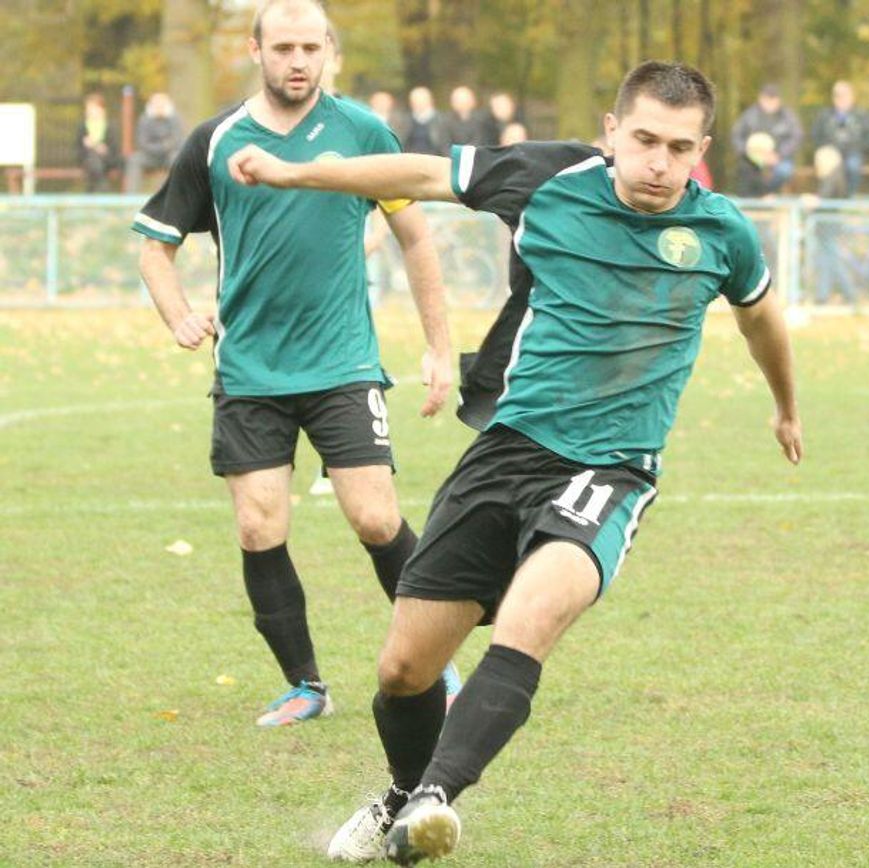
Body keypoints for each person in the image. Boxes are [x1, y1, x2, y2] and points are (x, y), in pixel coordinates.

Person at [229, 59, 802, 864]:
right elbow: (423, 172)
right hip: (504, 453)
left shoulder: (720, 232)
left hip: (611, 469)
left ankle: (436, 796)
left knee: (531, 621)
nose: (658, 163)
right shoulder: (547, 179)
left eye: (679, 147)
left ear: (700, 147)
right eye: (643, 140)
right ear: (612, 132)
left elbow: (762, 317)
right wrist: (296, 172)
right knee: (402, 670)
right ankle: (403, 793)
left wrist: (785, 404)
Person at [131, 0, 460, 728]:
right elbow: (156, 242)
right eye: (283, 47)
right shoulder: (213, 141)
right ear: (256, 50)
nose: (298, 61)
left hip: (343, 363)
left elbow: (415, 237)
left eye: (311, 47)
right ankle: (306, 685)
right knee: (259, 528)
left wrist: (440, 347)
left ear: (331, 52)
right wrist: (179, 313)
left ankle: (438, 661)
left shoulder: (363, 133)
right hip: (250, 369)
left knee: (376, 518)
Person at [730, 83, 803, 197]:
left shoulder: (788, 116)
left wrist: (779, 154)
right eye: (767, 98)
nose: (770, 102)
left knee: (784, 171)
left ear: (779, 100)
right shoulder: (749, 115)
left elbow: (796, 136)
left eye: (773, 99)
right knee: (744, 171)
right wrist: (748, 152)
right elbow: (736, 135)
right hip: (752, 161)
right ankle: (755, 201)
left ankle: (769, 196)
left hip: (779, 160)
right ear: (761, 98)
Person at [808, 144, 856, 306]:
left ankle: (848, 293)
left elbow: (823, 199)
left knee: (832, 259)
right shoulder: (837, 175)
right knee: (826, 259)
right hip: (828, 223)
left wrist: (811, 200)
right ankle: (823, 294)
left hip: (828, 223)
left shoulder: (832, 177)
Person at [811, 80, 869, 196]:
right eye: (838, 96)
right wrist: (826, 148)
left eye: (845, 95)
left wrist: (857, 148)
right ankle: (830, 202)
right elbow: (815, 135)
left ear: (852, 97)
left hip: (853, 152)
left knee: (853, 166)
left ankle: (847, 198)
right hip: (830, 153)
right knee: (829, 165)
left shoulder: (862, 115)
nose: (841, 99)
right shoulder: (825, 115)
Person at [125, 92, 184, 193]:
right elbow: (142, 143)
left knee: (177, 159)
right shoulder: (144, 119)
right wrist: (163, 146)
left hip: (169, 156)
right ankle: (130, 195)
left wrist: (164, 147)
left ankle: (177, 194)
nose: (159, 107)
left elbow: (176, 140)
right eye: (156, 104)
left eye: (162, 104)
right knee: (134, 159)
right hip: (150, 156)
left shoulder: (175, 119)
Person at [78, 92, 119, 192]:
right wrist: (91, 147)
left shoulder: (111, 126)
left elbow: (114, 148)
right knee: (93, 157)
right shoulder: (82, 126)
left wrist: (100, 148)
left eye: (94, 108)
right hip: (88, 160)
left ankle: (91, 192)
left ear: (102, 110)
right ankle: (103, 188)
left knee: (95, 160)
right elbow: (77, 148)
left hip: (107, 160)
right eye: (89, 108)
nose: (91, 111)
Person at [403, 86, 446, 155]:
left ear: (431, 101)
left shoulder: (442, 120)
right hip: (410, 159)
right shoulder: (405, 120)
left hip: (435, 159)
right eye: (415, 101)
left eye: (422, 100)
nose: (419, 103)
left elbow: (444, 146)